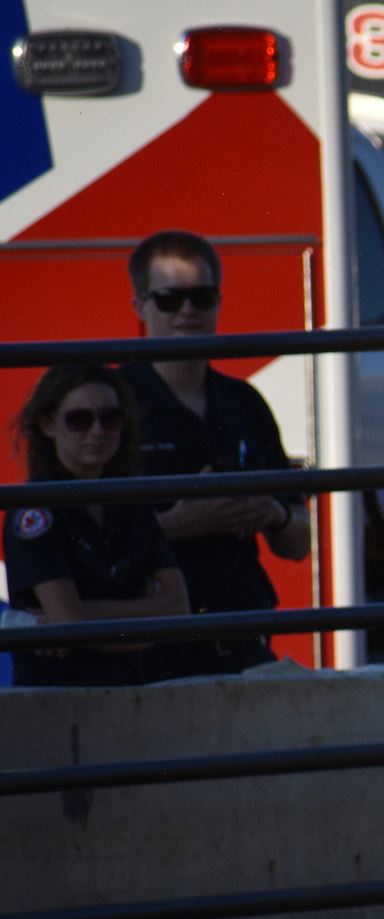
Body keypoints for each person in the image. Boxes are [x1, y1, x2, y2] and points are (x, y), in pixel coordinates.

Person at [121, 229, 308, 677]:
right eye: (169, 299)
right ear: (141, 307)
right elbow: (78, 543)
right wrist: (176, 525)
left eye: (201, 297)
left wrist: (272, 514)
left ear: (219, 303)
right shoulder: (107, 405)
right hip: (148, 654)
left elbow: (299, 542)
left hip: (245, 643)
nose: (187, 311)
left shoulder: (244, 402)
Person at [2, 365, 190, 686]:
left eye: (111, 418)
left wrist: (84, 614)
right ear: (48, 425)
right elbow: (71, 622)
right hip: (55, 701)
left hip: (129, 692)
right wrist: (145, 617)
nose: (97, 431)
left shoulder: (132, 500)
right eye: (79, 420)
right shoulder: (34, 509)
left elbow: (178, 609)